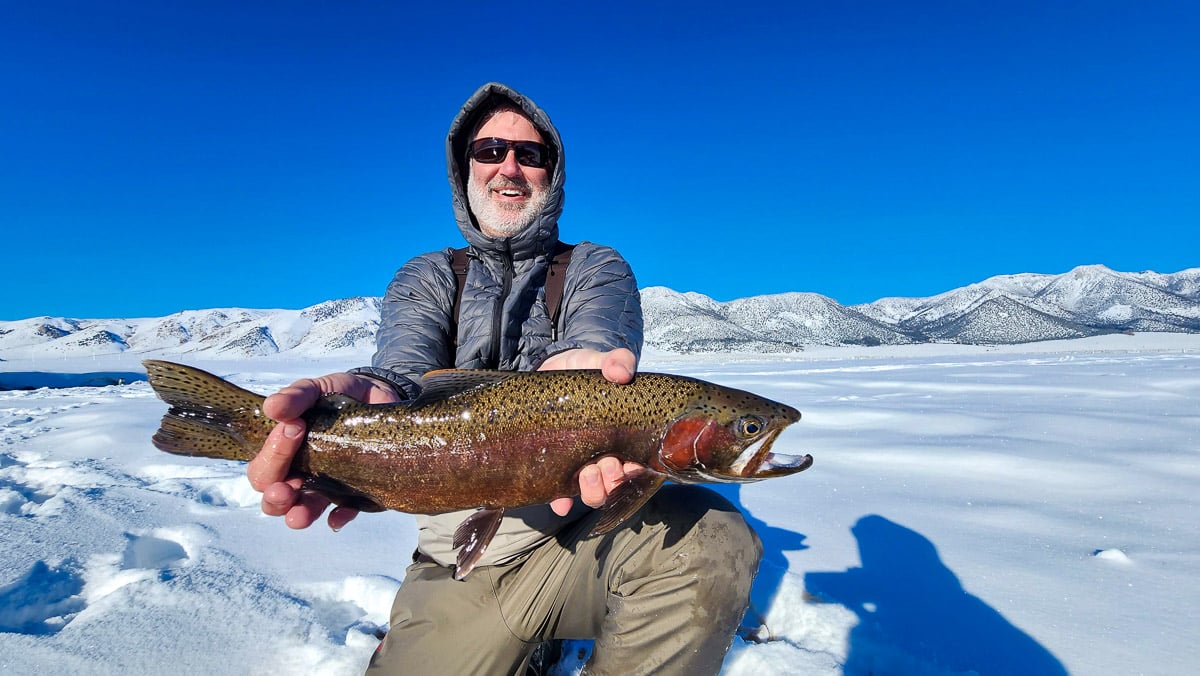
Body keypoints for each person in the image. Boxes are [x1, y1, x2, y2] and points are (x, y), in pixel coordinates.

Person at [246, 82, 762, 675]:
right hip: (459, 559)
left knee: (712, 535)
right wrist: (369, 406)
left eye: (530, 154)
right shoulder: (427, 276)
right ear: (464, 169)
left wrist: (584, 377)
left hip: (582, 541)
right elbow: (401, 376)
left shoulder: (595, 266)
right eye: (489, 151)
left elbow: (594, 339)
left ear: (553, 173)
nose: (509, 169)